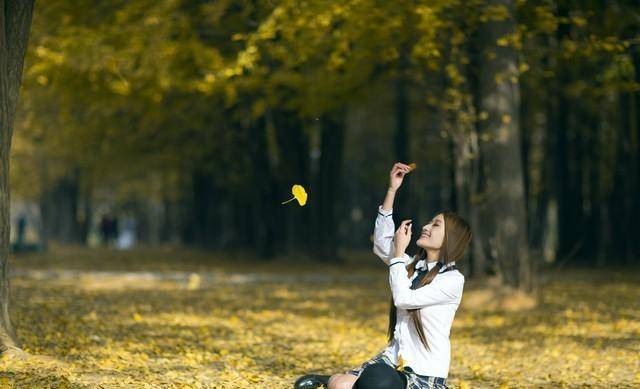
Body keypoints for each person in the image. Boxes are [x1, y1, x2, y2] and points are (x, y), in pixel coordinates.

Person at [294, 162, 472, 389]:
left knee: (377, 383)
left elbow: (404, 299)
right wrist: (392, 190)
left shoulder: (452, 280)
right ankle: (328, 379)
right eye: (430, 222)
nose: (426, 226)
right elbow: (380, 244)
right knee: (340, 385)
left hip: (423, 374)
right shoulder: (411, 266)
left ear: (451, 239)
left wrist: (398, 253)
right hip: (393, 361)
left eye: (435, 225)